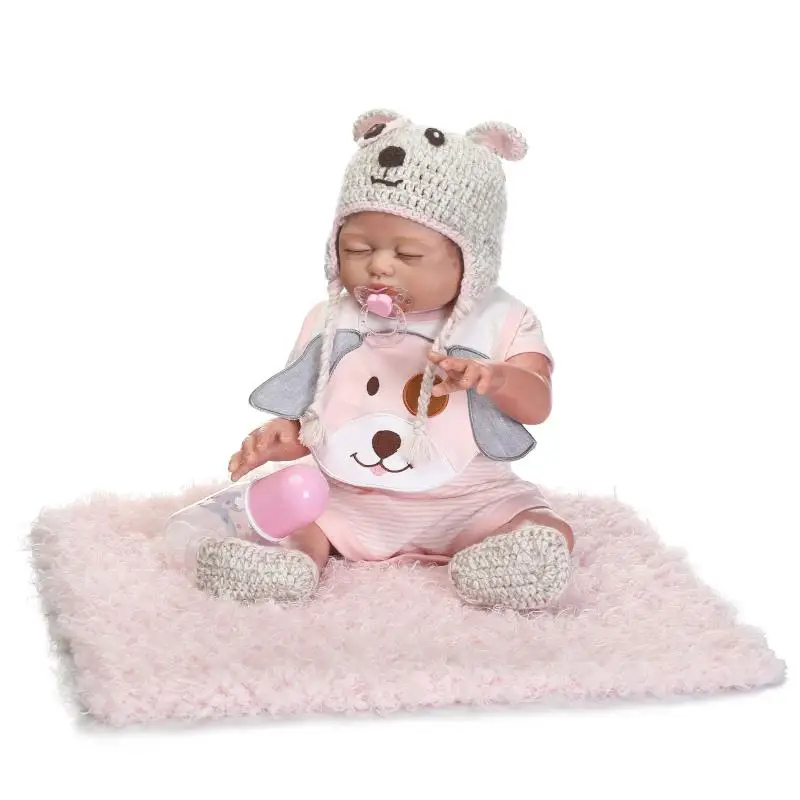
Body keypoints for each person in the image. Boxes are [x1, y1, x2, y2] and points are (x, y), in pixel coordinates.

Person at [165, 109, 574, 610]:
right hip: (351, 500)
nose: (379, 266)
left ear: (473, 261)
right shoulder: (333, 319)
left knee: (539, 523)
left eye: (408, 255)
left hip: (469, 502)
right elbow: (319, 414)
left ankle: (510, 563)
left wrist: (498, 378)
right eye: (358, 249)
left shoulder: (502, 319)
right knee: (308, 515)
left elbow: (537, 404)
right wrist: (286, 436)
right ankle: (293, 565)